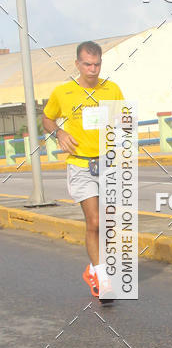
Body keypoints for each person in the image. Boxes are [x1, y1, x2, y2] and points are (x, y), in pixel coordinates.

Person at [42, 41, 123, 298]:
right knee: (94, 221)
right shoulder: (63, 92)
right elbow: (47, 118)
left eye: (97, 64)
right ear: (77, 64)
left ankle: (94, 269)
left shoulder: (112, 89)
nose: (92, 69)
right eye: (87, 64)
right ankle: (102, 276)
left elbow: (123, 121)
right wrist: (59, 133)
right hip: (80, 165)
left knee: (109, 223)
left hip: (108, 163)